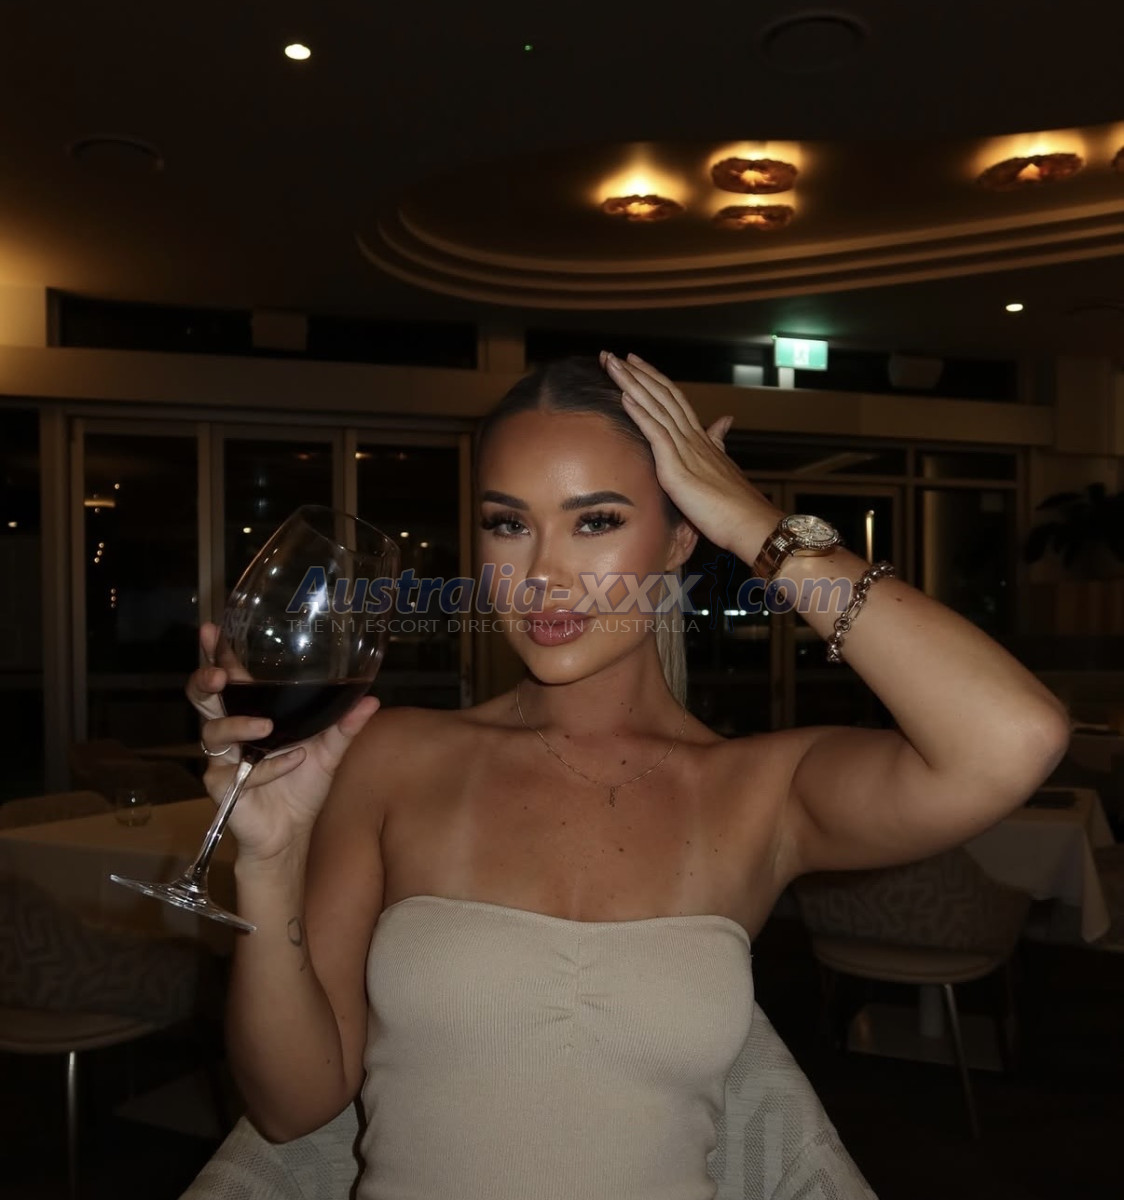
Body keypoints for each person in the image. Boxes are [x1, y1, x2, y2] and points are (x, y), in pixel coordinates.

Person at [187, 352, 1069, 1199]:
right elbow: (292, 1106)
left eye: (597, 521)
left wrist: (754, 525)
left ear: (682, 535)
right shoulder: (393, 757)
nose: (542, 576)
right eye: (508, 524)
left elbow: (1013, 738)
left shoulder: (759, 791)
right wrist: (269, 862)